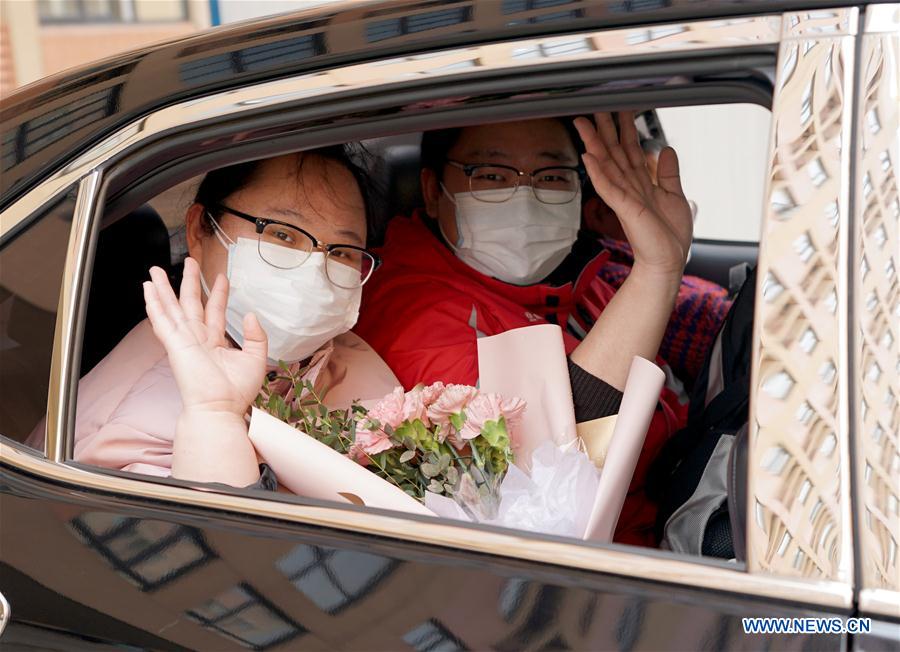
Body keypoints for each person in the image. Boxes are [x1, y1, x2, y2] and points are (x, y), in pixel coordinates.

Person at [354, 113, 692, 546]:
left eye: (551, 176)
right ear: (431, 192)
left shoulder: (584, 287)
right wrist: (658, 270)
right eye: (491, 175)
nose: (526, 196)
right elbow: (544, 482)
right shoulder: (409, 313)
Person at [36, 147, 398, 486]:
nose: (316, 270)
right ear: (199, 230)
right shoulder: (129, 430)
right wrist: (216, 419)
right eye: (283, 234)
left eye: (343, 252)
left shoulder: (346, 355)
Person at [583, 136, 733, 387]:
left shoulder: (635, 262)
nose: (675, 206)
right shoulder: (609, 279)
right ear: (599, 214)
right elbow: (704, 322)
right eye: (655, 196)